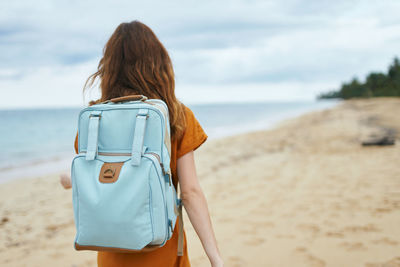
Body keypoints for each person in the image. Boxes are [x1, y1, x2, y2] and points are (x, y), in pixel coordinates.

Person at [59, 20, 223, 267]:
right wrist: (215, 259)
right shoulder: (176, 116)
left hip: (111, 252)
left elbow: (97, 174)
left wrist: (68, 178)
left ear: (109, 67)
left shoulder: (95, 118)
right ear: (159, 64)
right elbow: (190, 192)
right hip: (162, 253)